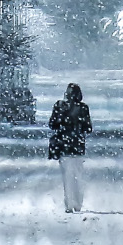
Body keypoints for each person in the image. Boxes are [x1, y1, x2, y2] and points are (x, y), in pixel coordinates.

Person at [48, 82, 92, 212]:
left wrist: (63, 125)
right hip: (77, 146)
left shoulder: (59, 106)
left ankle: (69, 204)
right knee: (78, 177)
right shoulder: (83, 108)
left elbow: (52, 124)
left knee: (67, 177)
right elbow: (88, 128)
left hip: (63, 147)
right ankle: (78, 203)